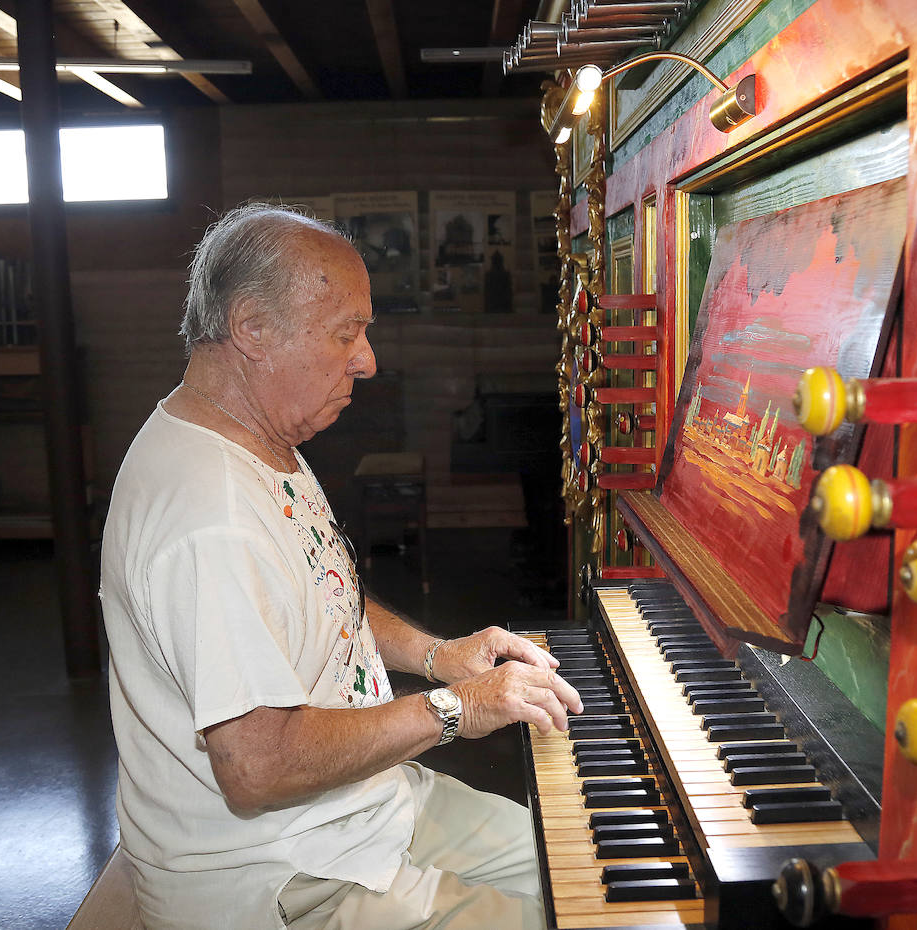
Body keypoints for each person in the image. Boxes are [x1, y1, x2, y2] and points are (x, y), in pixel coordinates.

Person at [99, 203, 582, 930]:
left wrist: (440, 656)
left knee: (593, 870)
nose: (368, 359)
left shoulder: (256, 435)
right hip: (278, 875)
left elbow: (325, 590)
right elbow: (258, 767)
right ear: (254, 329)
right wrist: (459, 708)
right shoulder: (209, 516)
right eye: (345, 332)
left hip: (361, 809)